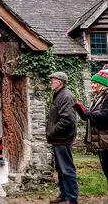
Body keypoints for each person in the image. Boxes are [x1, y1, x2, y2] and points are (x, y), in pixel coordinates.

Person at [74, 67, 108, 194]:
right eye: (92, 82)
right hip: (103, 143)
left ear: (103, 84)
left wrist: (89, 114)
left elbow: (107, 117)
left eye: (95, 82)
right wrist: (83, 113)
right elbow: (92, 117)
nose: (92, 85)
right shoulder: (98, 97)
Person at [47, 72, 78, 204]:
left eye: (52, 80)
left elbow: (67, 119)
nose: (50, 82)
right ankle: (64, 194)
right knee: (61, 169)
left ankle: (71, 198)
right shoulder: (59, 95)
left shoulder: (66, 95)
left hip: (63, 138)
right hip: (58, 139)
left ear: (60, 82)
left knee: (67, 169)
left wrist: (53, 132)